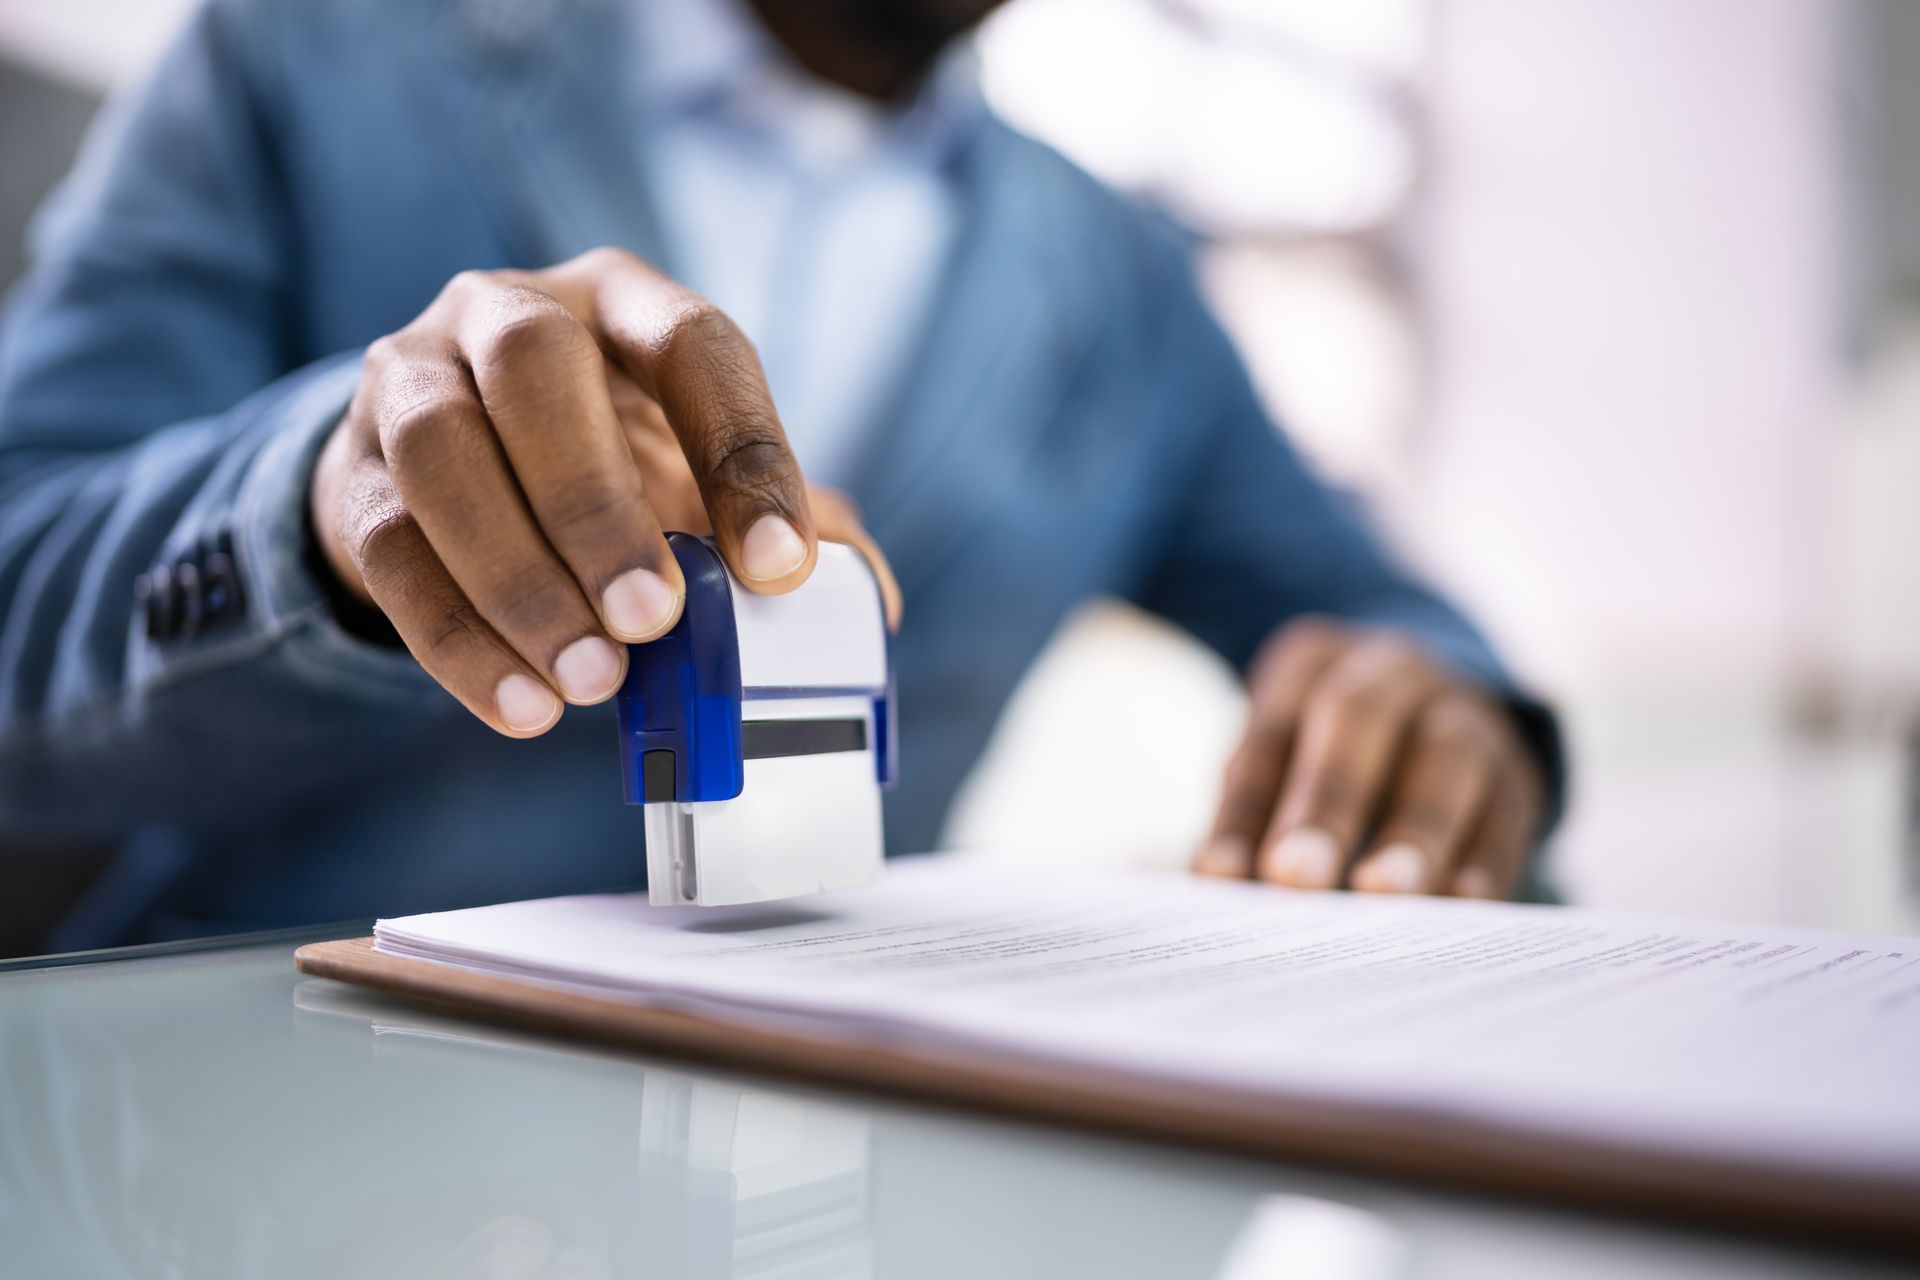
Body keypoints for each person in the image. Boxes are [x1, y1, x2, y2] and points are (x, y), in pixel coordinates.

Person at [0, 0, 1560, 947]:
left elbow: (1365, 600)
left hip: (832, 1158)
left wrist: (1447, 706)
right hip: (261, 1125)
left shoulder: (1126, 280)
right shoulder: (301, 57)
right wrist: (314, 514)